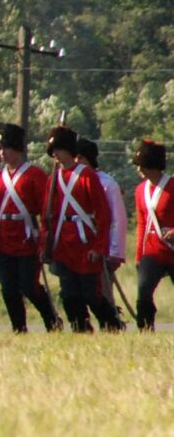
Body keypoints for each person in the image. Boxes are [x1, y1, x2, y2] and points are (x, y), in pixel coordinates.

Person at [0, 123, 59, 333]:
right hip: (4, 241)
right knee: (8, 289)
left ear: (17, 148)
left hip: (27, 240)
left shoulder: (35, 175)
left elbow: (46, 212)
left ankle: (52, 321)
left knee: (29, 287)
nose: (2, 153)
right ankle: (19, 328)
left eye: (6, 148)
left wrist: (45, 243)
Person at [42, 126, 119, 332]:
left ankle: (112, 325)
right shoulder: (53, 179)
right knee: (69, 295)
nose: (55, 155)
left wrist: (99, 247)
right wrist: (45, 244)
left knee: (91, 295)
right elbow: (47, 217)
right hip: (63, 244)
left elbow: (103, 215)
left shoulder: (86, 175)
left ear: (69, 150)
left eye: (58, 149)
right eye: (53, 151)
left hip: (85, 243)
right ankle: (80, 329)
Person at [75, 137, 130, 328]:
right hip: (79, 247)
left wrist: (115, 252)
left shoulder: (107, 184)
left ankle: (111, 325)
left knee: (102, 293)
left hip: (103, 249)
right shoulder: (71, 182)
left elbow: (118, 220)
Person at [131, 139, 172, 332]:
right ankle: (145, 328)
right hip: (153, 250)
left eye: (142, 165)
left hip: (172, 248)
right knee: (144, 290)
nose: (139, 169)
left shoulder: (172, 186)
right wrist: (139, 255)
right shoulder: (140, 190)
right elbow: (142, 224)